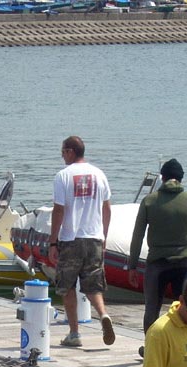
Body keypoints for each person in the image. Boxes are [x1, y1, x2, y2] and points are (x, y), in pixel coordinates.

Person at [127, 158, 187, 336]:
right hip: (185, 263)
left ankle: (151, 349)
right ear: (181, 178)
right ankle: (186, 345)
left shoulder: (149, 201)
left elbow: (137, 236)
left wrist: (132, 266)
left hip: (157, 263)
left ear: (162, 178)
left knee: (152, 310)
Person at [50, 135, 115, 348]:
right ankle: (103, 314)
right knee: (93, 285)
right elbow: (107, 208)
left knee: (67, 286)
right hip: (94, 237)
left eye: (62, 152)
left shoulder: (63, 176)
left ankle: (74, 332)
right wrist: (104, 235)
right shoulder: (99, 174)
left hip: (71, 238)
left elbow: (59, 210)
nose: (62, 157)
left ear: (70, 151)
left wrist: (52, 242)